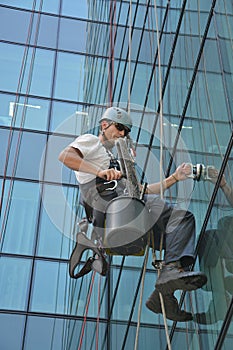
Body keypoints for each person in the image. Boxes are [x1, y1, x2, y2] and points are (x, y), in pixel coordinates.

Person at [59, 106, 207, 322]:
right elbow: (66, 156)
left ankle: (163, 296)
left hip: (128, 209)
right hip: (113, 207)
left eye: (126, 131)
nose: (122, 134)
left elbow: (143, 190)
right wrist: (99, 171)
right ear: (104, 125)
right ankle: (170, 272)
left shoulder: (117, 159)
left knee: (177, 237)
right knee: (181, 219)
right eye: (119, 128)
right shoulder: (91, 141)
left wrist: (175, 177)